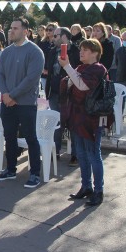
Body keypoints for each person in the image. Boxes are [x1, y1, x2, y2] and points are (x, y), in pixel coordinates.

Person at [0, 17, 45, 189]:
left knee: (30, 137)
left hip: (26, 104)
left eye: (15, 28)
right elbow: (0, 75)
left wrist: (12, 95)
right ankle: (10, 169)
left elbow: (31, 79)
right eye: (10, 28)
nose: (11, 31)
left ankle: (34, 174)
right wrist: (5, 94)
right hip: (7, 102)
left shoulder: (35, 52)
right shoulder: (6, 52)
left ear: (26, 31)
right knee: (9, 136)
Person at [59, 38, 107, 206]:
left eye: (85, 50)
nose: (81, 52)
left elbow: (83, 86)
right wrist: (70, 75)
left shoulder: (98, 69)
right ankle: (86, 186)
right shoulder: (80, 68)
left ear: (95, 53)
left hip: (91, 119)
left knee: (94, 155)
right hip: (78, 118)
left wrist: (67, 67)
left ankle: (99, 190)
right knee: (81, 154)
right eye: (81, 49)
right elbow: (70, 85)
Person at [45, 27, 80, 163]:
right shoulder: (53, 51)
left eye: (56, 35)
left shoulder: (76, 51)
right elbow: (50, 72)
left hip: (70, 93)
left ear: (64, 36)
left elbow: (78, 70)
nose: (53, 38)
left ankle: (76, 154)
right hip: (54, 92)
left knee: (73, 124)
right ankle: (55, 151)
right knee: (56, 123)